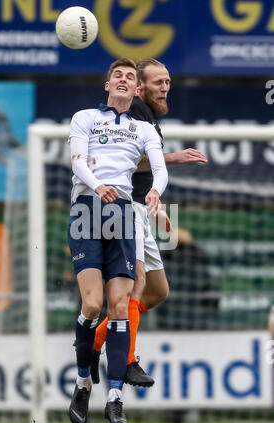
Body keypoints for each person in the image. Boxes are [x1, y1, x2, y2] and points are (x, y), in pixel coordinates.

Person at [91, 58, 207, 387]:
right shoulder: (137, 112)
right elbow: (129, 161)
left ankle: (95, 343)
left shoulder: (146, 116)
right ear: (140, 88)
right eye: (158, 82)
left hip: (137, 209)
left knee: (157, 291)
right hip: (123, 209)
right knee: (139, 285)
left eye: (168, 81)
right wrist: (174, 157)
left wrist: (156, 207)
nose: (165, 87)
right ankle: (125, 359)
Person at [68, 58, 168, 423]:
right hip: (88, 210)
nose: (124, 80)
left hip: (124, 213)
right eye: (118, 76)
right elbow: (78, 162)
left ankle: (114, 398)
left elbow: (158, 167)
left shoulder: (143, 128)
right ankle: (82, 384)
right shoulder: (85, 118)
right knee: (93, 305)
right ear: (107, 85)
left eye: (129, 76)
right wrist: (97, 186)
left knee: (120, 305)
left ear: (134, 88)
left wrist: (157, 192)